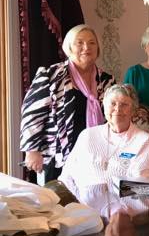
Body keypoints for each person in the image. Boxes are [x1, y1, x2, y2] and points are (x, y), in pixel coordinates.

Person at [20, 24, 116, 182]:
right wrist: (32, 150)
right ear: (69, 47)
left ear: (98, 48)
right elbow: (32, 114)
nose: (86, 47)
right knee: (55, 197)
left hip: (96, 157)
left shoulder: (107, 80)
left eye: (92, 43)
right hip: (57, 157)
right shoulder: (51, 75)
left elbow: (114, 117)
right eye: (80, 43)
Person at [58, 84, 149, 196]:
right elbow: (67, 176)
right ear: (104, 107)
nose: (117, 109)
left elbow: (140, 188)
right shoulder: (87, 135)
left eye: (124, 105)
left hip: (123, 205)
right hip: (82, 203)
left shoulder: (144, 141)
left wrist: (103, 191)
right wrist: (75, 201)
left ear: (133, 111)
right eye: (113, 103)